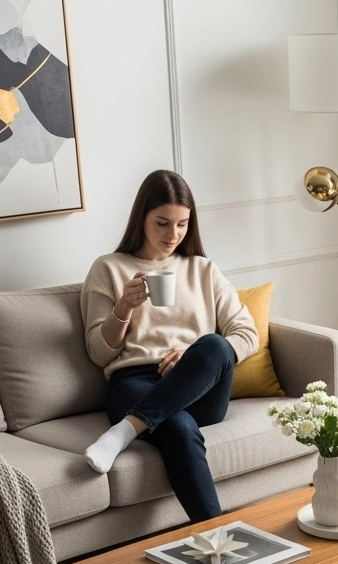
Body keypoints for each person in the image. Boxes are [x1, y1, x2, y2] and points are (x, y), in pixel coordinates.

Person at [80, 169, 258, 522]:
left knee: (215, 346)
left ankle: (124, 430)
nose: (172, 235)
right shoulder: (109, 269)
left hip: (199, 387)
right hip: (136, 383)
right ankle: (217, 536)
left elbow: (247, 334)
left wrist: (190, 359)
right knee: (177, 426)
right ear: (141, 217)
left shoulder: (203, 269)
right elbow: (99, 353)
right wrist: (123, 308)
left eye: (182, 224)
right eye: (162, 223)